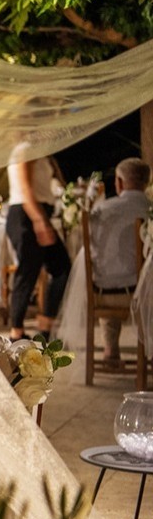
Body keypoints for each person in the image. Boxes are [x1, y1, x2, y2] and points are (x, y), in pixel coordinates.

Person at [89, 158, 151, 370]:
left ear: (119, 182)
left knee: (112, 274)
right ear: (147, 181)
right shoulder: (149, 210)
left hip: (102, 293)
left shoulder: (101, 210)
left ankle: (110, 351)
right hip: (140, 295)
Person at [6, 142, 70, 340]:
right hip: (27, 215)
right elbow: (25, 189)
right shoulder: (26, 148)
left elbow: (59, 183)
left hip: (39, 213)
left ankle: (45, 323)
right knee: (28, 271)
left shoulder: (42, 152)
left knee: (61, 267)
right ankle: (16, 333)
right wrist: (39, 221)